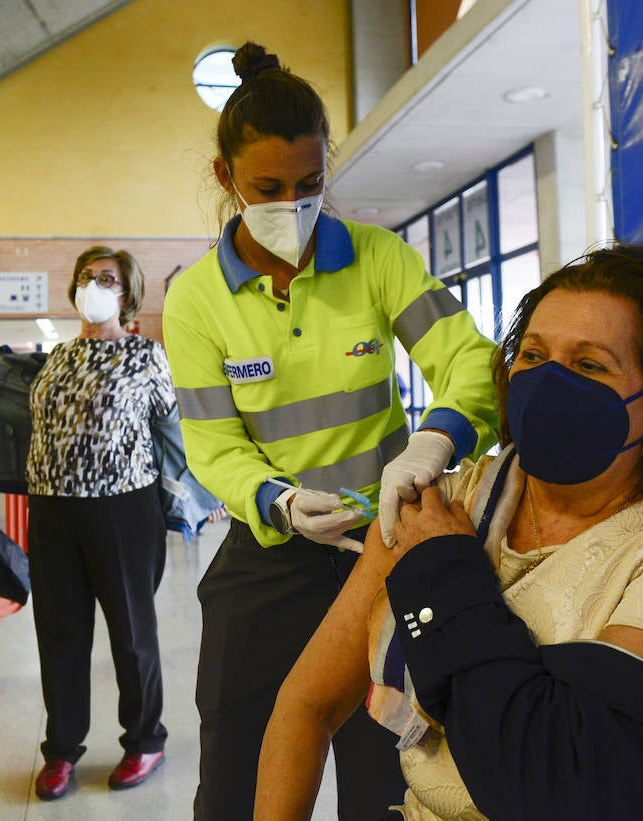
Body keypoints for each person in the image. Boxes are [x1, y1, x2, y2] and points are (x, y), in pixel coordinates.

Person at [257, 244, 643, 821]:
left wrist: (442, 573)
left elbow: (560, 785)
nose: (549, 381)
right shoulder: (451, 501)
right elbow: (304, 705)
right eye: (532, 354)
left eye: (589, 365)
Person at [161, 42, 500, 820]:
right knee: (240, 777)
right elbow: (213, 444)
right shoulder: (199, 299)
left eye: (310, 185)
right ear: (226, 179)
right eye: (267, 188)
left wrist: (431, 443)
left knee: (387, 777)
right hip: (273, 552)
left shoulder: (375, 260)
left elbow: (471, 361)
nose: (292, 204)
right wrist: (276, 500)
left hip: (380, 550)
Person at [0, 246, 174, 800]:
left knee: (132, 633)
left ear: (126, 292)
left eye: (106, 278)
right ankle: (61, 750)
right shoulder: (58, 355)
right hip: (53, 508)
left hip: (123, 508)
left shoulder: (146, 356)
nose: (94, 284)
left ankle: (145, 739)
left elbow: (176, 425)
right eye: (86, 277)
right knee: (60, 635)